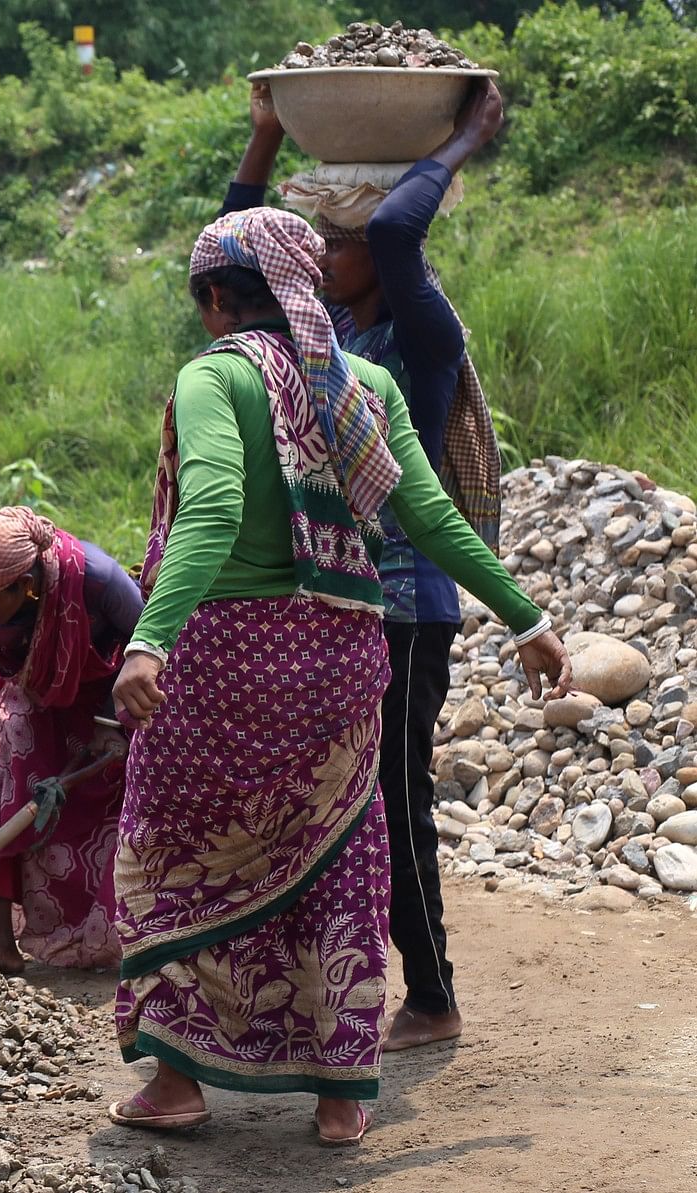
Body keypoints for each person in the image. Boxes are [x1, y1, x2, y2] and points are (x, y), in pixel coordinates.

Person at [107, 207, 569, 1146]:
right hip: (337, 659)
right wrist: (528, 617)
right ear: (301, 288)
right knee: (336, 861)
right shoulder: (358, 383)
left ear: (212, 301)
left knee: (176, 854)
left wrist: (150, 639)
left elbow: (211, 511)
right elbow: (432, 518)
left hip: (220, 664)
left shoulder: (212, 377)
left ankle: (178, 1084)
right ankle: (338, 1095)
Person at [225, 80, 508, 1053]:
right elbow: (235, 262)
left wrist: (466, 137)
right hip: (333, 606)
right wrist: (263, 138)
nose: (326, 256)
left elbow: (393, 229)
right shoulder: (322, 336)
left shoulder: (421, 340)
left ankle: (432, 995)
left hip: (406, 605)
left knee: (393, 797)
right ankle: (329, 986)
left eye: (334, 245)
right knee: (325, 803)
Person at [0, 507, 138, 976]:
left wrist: (114, 724)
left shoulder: (97, 580)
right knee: (7, 770)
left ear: (26, 585)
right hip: (33, 691)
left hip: (112, 691)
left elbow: (151, 644)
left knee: (122, 800)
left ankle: (127, 937)